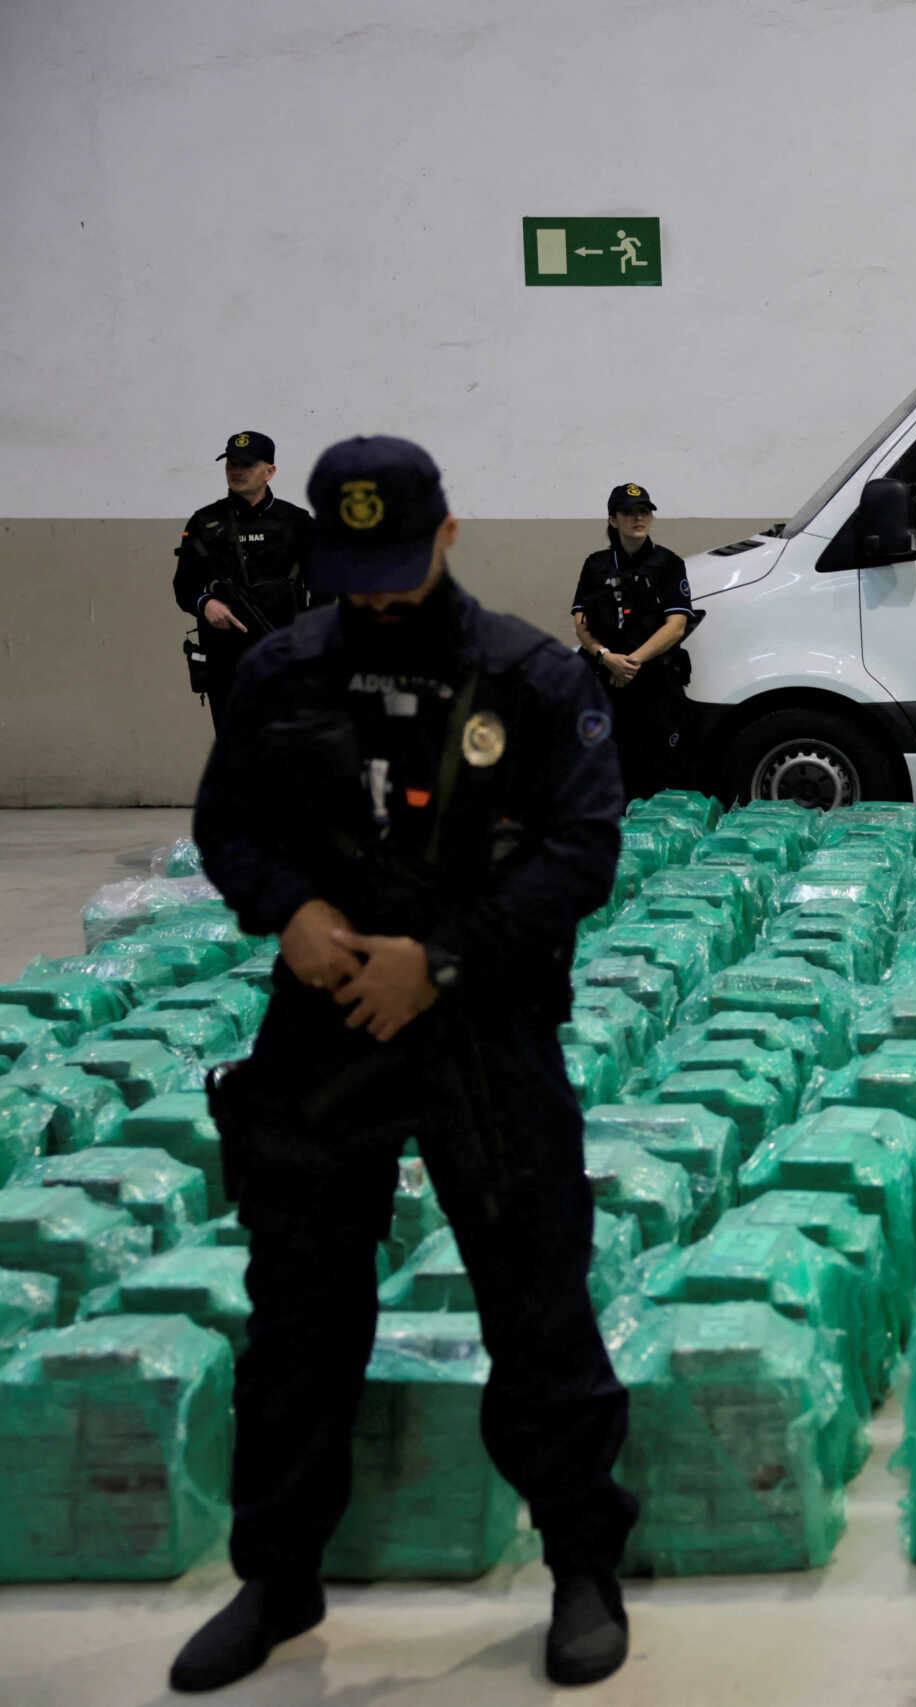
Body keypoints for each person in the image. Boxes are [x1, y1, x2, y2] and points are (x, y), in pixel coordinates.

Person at [176, 436, 637, 1692]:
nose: (376, 592)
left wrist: (434, 960)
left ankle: (583, 1567)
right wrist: (292, 913)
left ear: (446, 536)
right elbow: (230, 824)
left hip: (481, 1026)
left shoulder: (529, 678)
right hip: (325, 1026)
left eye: (396, 562)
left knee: (536, 1302)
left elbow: (582, 851)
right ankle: (277, 1579)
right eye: (352, 565)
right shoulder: (278, 673)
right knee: (300, 1316)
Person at [172, 431, 316, 729]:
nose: (236, 471)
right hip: (225, 658)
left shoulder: (296, 522)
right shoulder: (204, 522)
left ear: (270, 471)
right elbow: (183, 587)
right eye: (231, 464)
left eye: (246, 465)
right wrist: (206, 604)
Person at [572, 481, 700, 799]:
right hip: (605, 682)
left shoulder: (668, 564)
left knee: (658, 771)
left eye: (644, 511)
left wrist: (631, 663)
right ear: (613, 520)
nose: (638, 518)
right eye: (628, 513)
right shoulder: (595, 565)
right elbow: (581, 623)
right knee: (604, 768)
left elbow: (676, 625)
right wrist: (605, 657)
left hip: (652, 683)